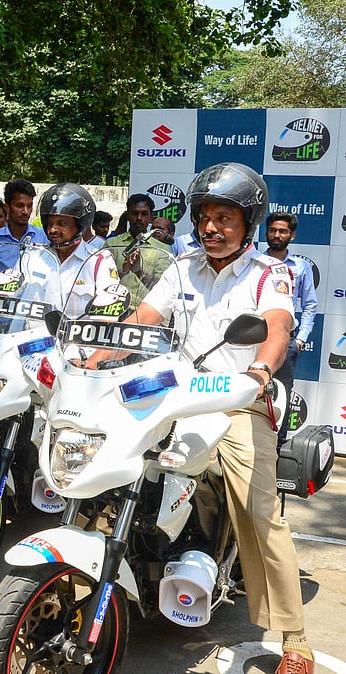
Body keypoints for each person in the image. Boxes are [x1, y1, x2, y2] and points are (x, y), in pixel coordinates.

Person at [90, 162, 313, 674]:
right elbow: (144, 317)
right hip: (175, 394)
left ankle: (295, 637)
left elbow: (276, 327)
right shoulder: (181, 265)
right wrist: (96, 355)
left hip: (236, 399)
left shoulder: (268, 274)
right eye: (204, 216)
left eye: (224, 218)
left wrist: (260, 370)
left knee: (258, 513)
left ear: (248, 222)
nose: (211, 227)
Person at [263, 211, 318, 447]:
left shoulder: (301, 267)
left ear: (292, 235)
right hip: (254, 339)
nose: (276, 235)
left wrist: (301, 338)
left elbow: (309, 305)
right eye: (273, 230)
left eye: (282, 231)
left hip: (286, 341)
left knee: (281, 399)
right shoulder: (255, 262)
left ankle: (275, 454)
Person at [0, 179, 46, 293]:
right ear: (7, 208)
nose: (25, 211)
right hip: (1, 306)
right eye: (19, 206)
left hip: (33, 305)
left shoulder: (43, 236)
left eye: (29, 206)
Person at [104, 193, 170, 305]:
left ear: (150, 217)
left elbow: (162, 288)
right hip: (114, 310)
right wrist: (124, 271)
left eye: (144, 214)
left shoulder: (161, 249)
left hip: (146, 313)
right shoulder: (112, 244)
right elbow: (103, 282)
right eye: (134, 214)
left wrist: (139, 271)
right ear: (128, 215)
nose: (139, 218)